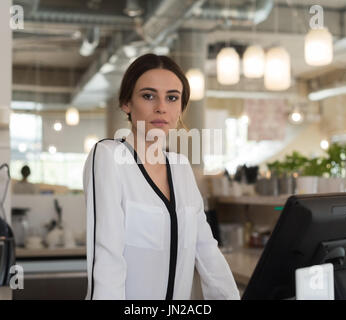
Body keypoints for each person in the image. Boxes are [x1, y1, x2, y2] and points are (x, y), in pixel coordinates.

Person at [83, 53, 239, 300]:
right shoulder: (109, 157)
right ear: (126, 103)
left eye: (172, 98)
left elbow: (207, 250)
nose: (161, 107)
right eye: (148, 96)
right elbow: (107, 259)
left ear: (180, 108)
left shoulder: (181, 167)